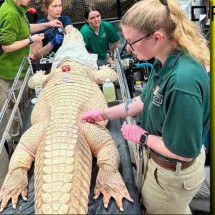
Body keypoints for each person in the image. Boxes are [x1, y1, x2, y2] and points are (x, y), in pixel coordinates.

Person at [81, 0, 210, 214]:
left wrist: (141, 136)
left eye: (131, 42)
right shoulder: (164, 60)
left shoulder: (181, 83)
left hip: (171, 174)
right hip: (166, 169)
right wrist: (104, 113)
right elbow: (143, 101)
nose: (128, 48)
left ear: (157, 37)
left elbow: (183, 152)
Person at [0, 0, 62, 187]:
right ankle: (11, 156)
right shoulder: (9, 12)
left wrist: (48, 24)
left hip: (21, 68)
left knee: (22, 110)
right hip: (9, 74)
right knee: (10, 114)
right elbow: (6, 45)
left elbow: (27, 28)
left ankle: (19, 139)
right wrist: (31, 40)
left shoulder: (19, 8)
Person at [32, 0, 73, 71]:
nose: (58, 9)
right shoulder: (39, 26)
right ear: (46, 8)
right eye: (55, 6)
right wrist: (52, 43)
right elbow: (36, 55)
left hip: (65, 61)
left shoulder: (64, 19)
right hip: (47, 65)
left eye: (60, 6)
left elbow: (71, 33)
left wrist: (69, 35)